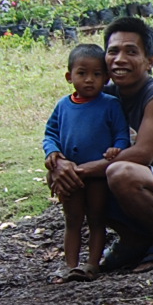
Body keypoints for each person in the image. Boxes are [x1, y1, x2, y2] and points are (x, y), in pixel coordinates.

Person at [46, 15, 153, 271]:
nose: (119, 59)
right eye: (113, 51)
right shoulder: (105, 97)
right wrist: (59, 163)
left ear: (149, 61)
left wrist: (78, 170)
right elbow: (68, 132)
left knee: (119, 171)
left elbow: (142, 155)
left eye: (131, 51)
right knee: (68, 172)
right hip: (146, 192)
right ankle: (134, 239)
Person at [41, 44, 130, 282]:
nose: (89, 80)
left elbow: (121, 133)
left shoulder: (110, 104)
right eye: (82, 73)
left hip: (98, 176)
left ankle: (91, 264)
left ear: (106, 77)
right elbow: (50, 134)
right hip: (69, 176)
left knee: (96, 219)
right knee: (72, 220)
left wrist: (117, 148)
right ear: (69, 76)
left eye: (97, 74)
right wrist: (52, 153)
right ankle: (69, 265)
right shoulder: (63, 106)